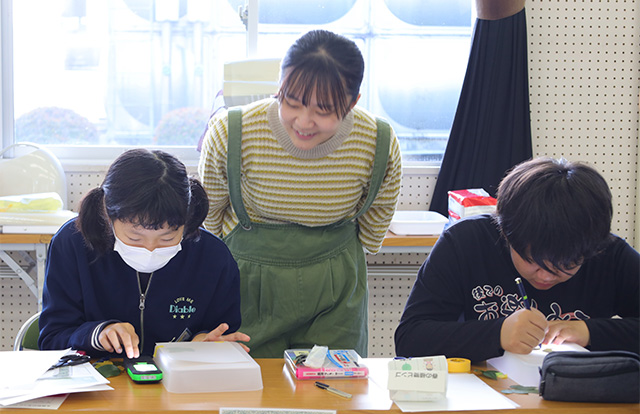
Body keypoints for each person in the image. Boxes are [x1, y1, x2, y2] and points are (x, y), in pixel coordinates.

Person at [198, 29, 402, 358]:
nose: (304, 122)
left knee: (332, 392)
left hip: (336, 295)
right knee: (250, 393)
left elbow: (374, 229)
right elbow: (209, 218)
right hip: (247, 286)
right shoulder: (231, 132)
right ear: (279, 86)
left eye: (323, 111)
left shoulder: (377, 141)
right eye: (291, 103)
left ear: (352, 103)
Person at [395, 157, 639, 363]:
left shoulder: (608, 252)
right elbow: (411, 338)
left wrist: (589, 331)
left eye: (566, 266)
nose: (544, 275)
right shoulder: (466, 242)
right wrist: (498, 334)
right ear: (506, 234)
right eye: (532, 260)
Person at [39, 149, 249, 359]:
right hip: (100, 381)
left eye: (167, 238)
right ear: (107, 213)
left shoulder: (212, 257)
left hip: (182, 381)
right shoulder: (73, 243)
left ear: (187, 220)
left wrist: (207, 343)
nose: (150, 249)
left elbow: (223, 332)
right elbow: (51, 338)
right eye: (135, 238)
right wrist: (97, 334)